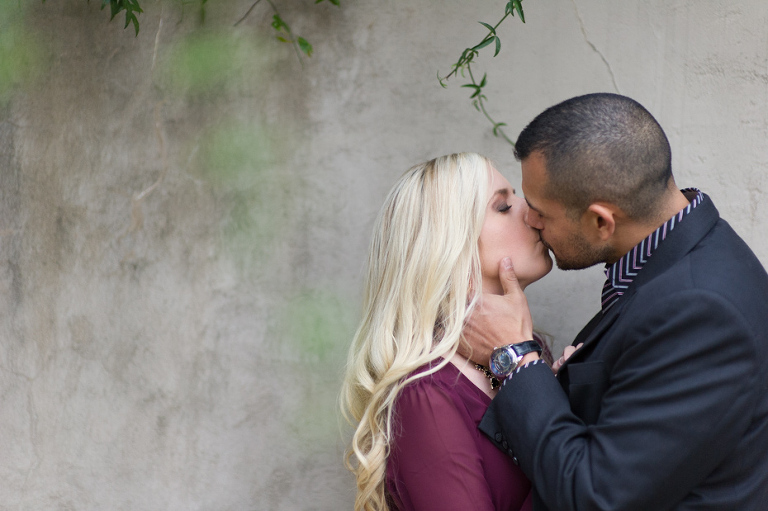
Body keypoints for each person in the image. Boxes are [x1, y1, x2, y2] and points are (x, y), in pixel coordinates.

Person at [464, 93, 768, 510]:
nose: (528, 220)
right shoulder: (676, 259)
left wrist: (514, 358)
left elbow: (597, 497)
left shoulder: (702, 310)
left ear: (600, 221)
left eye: (540, 212)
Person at [340, 153, 553, 511]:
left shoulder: (527, 351)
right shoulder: (427, 394)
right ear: (451, 246)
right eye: (502, 206)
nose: (531, 212)